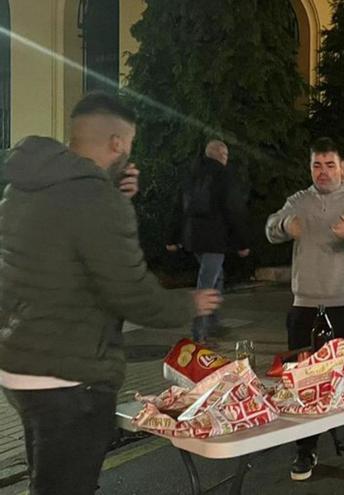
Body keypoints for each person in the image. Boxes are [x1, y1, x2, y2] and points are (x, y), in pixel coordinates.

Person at [0, 92, 221, 495]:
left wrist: (117, 199)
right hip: (71, 375)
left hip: (20, 368)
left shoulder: (25, 188)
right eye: (129, 144)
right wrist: (188, 303)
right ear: (117, 142)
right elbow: (128, 291)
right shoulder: (96, 200)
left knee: (47, 483)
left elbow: (60, 251)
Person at [265, 137, 344, 480]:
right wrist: (285, 226)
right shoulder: (299, 200)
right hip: (306, 303)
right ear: (310, 167)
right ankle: (305, 449)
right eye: (317, 165)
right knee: (304, 381)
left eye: (330, 165)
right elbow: (270, 226)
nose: (323, 172)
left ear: (342, 167)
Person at [167, 140, 251, 345]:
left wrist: (172, 237)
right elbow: (233, 210)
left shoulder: (191, 174)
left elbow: (178, 206)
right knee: (206, 285)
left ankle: (212, 324)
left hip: (192, 238)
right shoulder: (223, 176)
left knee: (216, 277)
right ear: (221, 155)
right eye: (226, 155)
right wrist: (242, 243)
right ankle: (199, 334)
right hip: (214, 239)